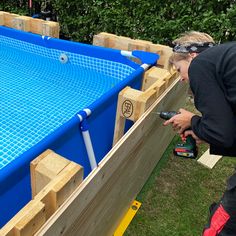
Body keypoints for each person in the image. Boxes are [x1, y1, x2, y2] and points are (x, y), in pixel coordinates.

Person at [164, 31, 236, 235]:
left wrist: (192, 121)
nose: (181, 79)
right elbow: (228, 130)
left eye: (179, 69)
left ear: (192, 56)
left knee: (222, 225)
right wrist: (202, 130)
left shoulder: (201, 64)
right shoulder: (225, 60)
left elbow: (222, 134)